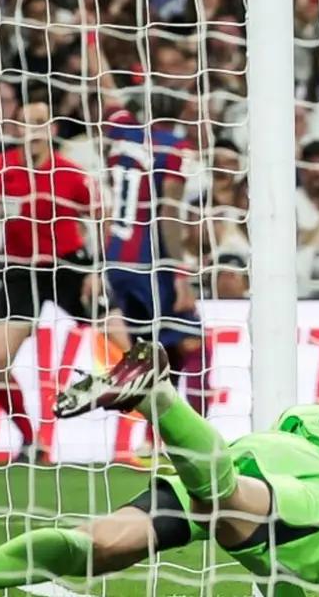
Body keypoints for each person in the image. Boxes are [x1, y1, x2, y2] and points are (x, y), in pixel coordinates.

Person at [0, 341, 319, 597]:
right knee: (228, 503)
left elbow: (277, 560)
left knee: (93, 546)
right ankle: (158, 398)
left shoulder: (310, 415)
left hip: (257, 456)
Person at [0, 101, 100, 463]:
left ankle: (152, 438)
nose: (33, 130)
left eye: (40, 123)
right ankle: (31, 439)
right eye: (26, 123)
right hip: (22, 271)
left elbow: (100, 219)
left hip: (69, 266)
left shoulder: (72, 174)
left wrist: (97, 270)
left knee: (126, 343)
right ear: (16, 129)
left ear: (52, 129)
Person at [103, 95, 210, 416]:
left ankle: (155, 434)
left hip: (117, 261)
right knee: (195, 345)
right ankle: (203, 431)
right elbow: (168, 213)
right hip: (149, 264)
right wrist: (180, 274)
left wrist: (96, 56)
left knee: (158, 352)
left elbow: (109, 93)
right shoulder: (175, 148)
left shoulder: (122, 132)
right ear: (181, 112)